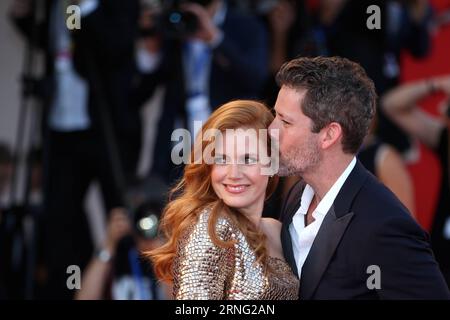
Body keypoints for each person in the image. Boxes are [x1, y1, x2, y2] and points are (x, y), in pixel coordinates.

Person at [270, 56, 450, 299]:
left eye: (285, 122)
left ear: (329, 135)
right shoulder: (298, 195)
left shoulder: (384, 226)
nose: (271, 130)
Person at [147, 100, 299, 299]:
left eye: (247, 159)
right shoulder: (211, 228)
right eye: (221, 159)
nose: (233, 173)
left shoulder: (278, 230)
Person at [381, 74, 450, 287]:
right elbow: (391, 105)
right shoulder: (444, 139)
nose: (441, 112)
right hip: (438, 274)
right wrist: (436, 84)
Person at [76, 202, 170, 300]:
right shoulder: (120, 253)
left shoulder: (171, 260)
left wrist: (164, 256)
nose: (148, 231)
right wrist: (109, 244)